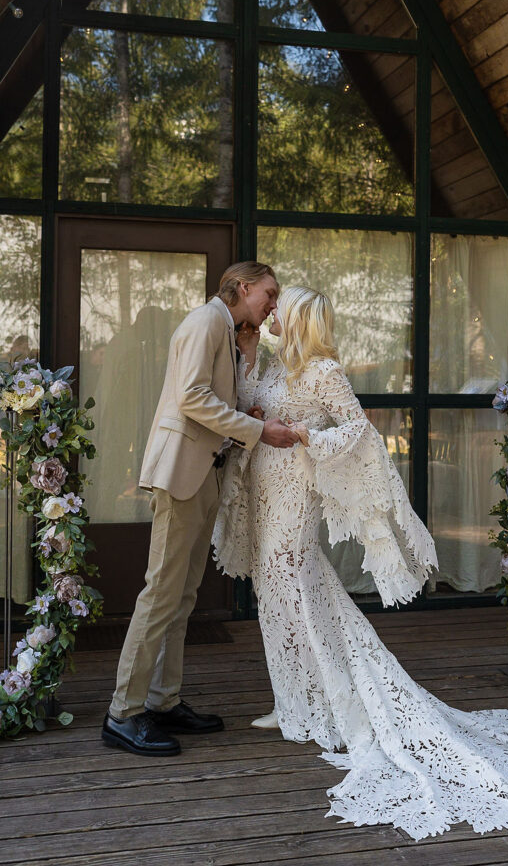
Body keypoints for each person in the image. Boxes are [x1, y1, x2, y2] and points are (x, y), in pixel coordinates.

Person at [212, 285, 508, 840]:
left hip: (296, 497)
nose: (273, 314)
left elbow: (357, 428)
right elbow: (248, 409)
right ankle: (293, 702)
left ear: (302, 319)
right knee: (277, 596)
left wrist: (310, 435)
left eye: (282, 309)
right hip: (263, 491)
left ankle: (329, 700)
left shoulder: (324, 371)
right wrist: (251, 393)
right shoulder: (265, 363)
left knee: (297, 587)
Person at [102, 262, 299, 756]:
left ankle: (163, 702)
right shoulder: (206, 321)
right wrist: (256, 430)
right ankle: (123, 713)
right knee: (160, 594)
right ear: (244, 286)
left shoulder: (227, 330)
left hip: (204, 472)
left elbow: (212, 401)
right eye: (269, 294)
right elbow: (191, 397)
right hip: (182, 475)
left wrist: (243, 416)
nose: (273, 304)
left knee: (183, 596)